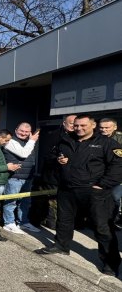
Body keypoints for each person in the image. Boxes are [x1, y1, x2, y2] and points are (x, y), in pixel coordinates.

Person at [40, 115, 122, 276]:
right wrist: (58, 160)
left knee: (102, 227)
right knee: (64, 220)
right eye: (76, 125)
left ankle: (110, 263)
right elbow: (49, 157)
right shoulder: (65, 140)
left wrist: (103, 185)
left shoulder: (106, 143)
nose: (79, 128)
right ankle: (61, 246)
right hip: (67, 189)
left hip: (95, 192)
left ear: (93, 125)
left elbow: (118, 166)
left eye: (83, 125)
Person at [2, 122, 40, 234]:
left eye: (26, 132)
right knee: (11, 201)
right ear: (16, 130)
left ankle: (23, 222)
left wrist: (31, 141)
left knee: (25, 202)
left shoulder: (28, 142)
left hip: (28, 177)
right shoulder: (10, 141)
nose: (23, 133)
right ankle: (9, 223)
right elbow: (23, 154)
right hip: (15, 177)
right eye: (21, 131)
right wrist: (32, 140)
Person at [98, 117, 122, 228]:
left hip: (118, 176)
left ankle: (113, 221)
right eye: (101, 127)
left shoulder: (120, 139)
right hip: (100, 175)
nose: (104, 130)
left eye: (107, 127)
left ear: (115, 127)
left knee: (114, 197)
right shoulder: (96, 138)